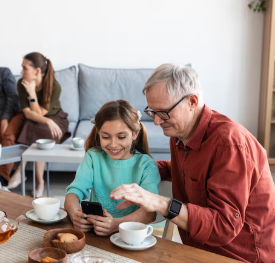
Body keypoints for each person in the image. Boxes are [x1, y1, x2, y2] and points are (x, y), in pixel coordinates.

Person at [110, 64, 275, 263]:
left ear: (192, 102)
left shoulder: (229, 143)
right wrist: (136, 167)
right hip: (197, 246)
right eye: (152, 112)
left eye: (163, 112)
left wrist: (158, 202)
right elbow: (182, 170)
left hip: (239, 255)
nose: (156, 122)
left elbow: (224, 226)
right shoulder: (180, 134)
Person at [65, 100, 160, 236]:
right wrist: (74, 213)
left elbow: (149, 213)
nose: (113, 144)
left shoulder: (146, 165)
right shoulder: (93, 157)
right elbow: (74, 191)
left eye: (121, 137)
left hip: (130, 237)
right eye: (105, 137)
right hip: (96, 235)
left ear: (134, 134)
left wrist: (116, 225)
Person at [0, 52, 70, 197]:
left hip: (55, 118)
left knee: (39, 132)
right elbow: (28, 113)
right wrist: (47, 121)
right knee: (33, 126)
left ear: (37, 71)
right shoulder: (21, 83)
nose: (21, 72)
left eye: (24, 68)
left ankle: (34, 179)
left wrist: (32, 94)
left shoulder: (53, 86)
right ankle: (29, 179)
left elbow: (40, 113)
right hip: (39, 119)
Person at [0, 67, 20, 190]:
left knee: (8, 136)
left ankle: (1, 179)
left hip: (7, 115)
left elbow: (13, 97)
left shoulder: (4, 72)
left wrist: (5, 119)